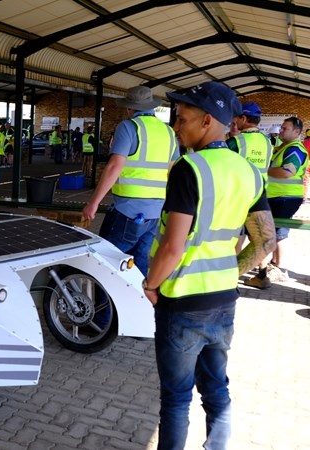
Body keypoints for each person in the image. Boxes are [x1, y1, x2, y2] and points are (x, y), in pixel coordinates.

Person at [145, 80, 275, 450]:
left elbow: (173, 247)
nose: (177, 126)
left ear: (206, 121)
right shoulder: (248, 172)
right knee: (216, 387)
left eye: (182, 119)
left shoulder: (190, 169)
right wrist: (229, 274)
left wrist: (151, 285)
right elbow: (265, 240)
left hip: (182, 301)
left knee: (176, 396)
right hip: (223, 300)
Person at [82, 85, 178, 278]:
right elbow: (173, 171)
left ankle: (105, 308)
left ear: (129, 108)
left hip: (128, 209)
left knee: (108, 261)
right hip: (156, 211)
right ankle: (139, 303)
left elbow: (114, 166)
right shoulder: (168, 132)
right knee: (140, 260)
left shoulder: (128, 127)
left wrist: (93, 203)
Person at [244, 116, 308, 289]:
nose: (280, 131)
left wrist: (264, 170)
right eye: (281, 127)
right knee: (278, 234)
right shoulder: (284, 147)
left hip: (284, 198)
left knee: (272, 235)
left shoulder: (295, 149)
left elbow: (288, 171)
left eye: (285, 128)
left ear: (297, 131)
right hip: (280, 197)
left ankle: (273, 270)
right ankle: (275, 267)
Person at [226, 102, 272, 179]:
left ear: (243, 119)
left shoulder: (235, 141)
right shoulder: (267, 141)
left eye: (237, 118)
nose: (236, 121)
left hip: (242, 187)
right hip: (261, 188)